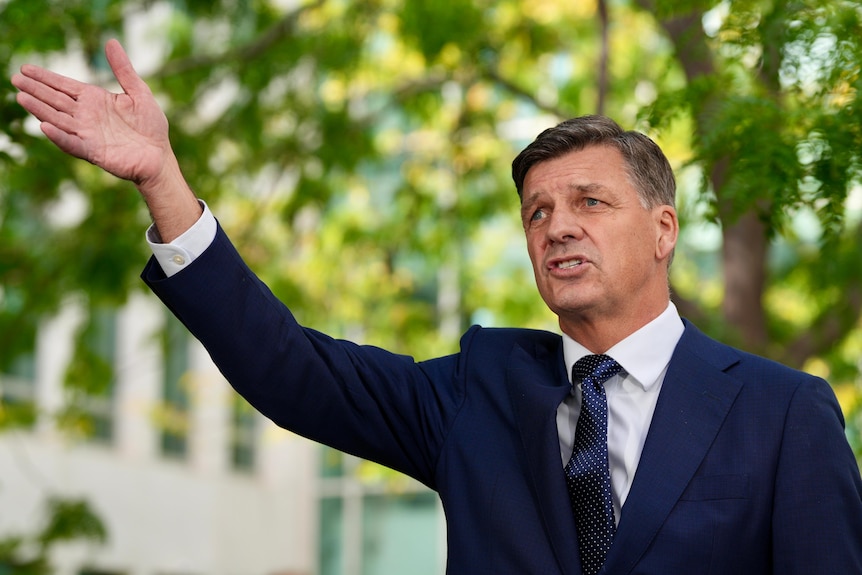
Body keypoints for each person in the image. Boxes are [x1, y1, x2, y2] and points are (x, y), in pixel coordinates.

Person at [12, 39, 862, 575]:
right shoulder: (478, 392)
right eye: (537, 212)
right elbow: (291, 368)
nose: (558, 226)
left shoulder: (782, 412)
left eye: (590, 203)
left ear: (664, 227)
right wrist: (165, 181)